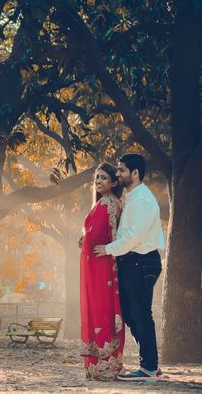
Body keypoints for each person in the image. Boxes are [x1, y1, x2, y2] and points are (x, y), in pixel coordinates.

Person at [93, 153, 166, 382]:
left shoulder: (143, 199)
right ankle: (151, 363)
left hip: (142, 261)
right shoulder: (132, 197)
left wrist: (108, 249)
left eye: (122, 170)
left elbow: (135, 236)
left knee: (141, 315)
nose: (118, 173)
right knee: (132, 315)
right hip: (132, 262)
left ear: (135, 173)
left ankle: (149, 368)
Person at [79, 162, 125, 380]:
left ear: (114, 182)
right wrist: (86, 239)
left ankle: (103, 366)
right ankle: (107, 364)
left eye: (104, 178)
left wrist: (87, 239)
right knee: (104, 309)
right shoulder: (112, 202)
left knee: (100, 311)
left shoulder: (107, 202)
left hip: (101, 266)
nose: (98, 181)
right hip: (103, 264)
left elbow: (97, 235)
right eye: (96, 177)